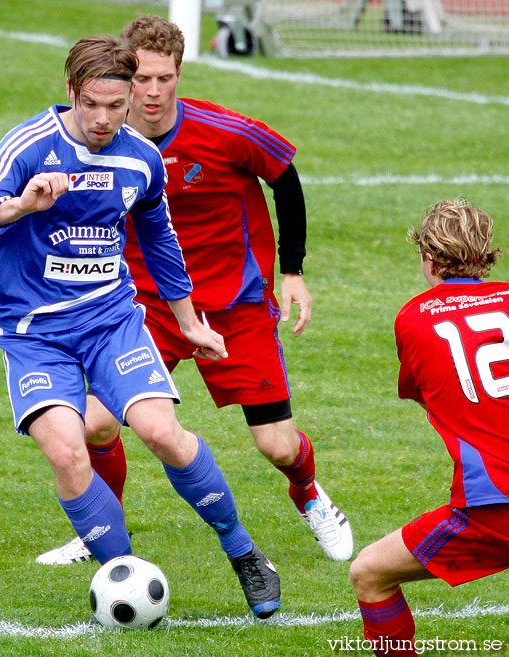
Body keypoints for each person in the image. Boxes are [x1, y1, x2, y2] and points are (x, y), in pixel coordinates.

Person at [0, 34, 281, 619]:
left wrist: (189, 321)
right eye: (93, 105)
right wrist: (24, 204)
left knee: (161, 432)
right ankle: (121, 576)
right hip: (36, 331)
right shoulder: (31, 146)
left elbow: (160, 238)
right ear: (70, 92)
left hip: (111, 321)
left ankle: (245, 553)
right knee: (67, 453)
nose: (104, 119)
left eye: (116, 105)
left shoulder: (139, 156)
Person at [37, 14, 353, 567]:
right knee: (94, 424)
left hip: (234, 304)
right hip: (145, 307)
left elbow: (286, 176)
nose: (153, 92)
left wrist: (294, 270)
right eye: (142, 80)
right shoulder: (100, 140)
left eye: (166, 78)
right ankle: (100, 533)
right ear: (125, 75)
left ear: (180, 73)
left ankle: (309, 493)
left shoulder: (226, 132)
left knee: (277, 445)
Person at [349, 198, 509, 656]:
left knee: (370, 573)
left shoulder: (414, 319)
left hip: (493, 507)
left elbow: (424, 392)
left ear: (429, 258)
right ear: (486, 254)